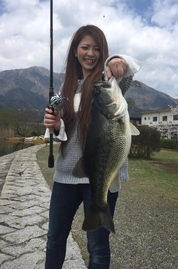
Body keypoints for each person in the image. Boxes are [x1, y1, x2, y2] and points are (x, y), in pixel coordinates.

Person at [43, 24, 141, 269]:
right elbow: (61, 134)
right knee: (54, 239)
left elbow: (129, 68)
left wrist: (118, 60)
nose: (90, 53)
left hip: (102, 178)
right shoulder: (65, 89)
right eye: (85, 47)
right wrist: (54, 126)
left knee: (97, 247)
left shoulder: (108, 83)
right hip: (66, 175)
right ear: (75, 51)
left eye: (97, 49)